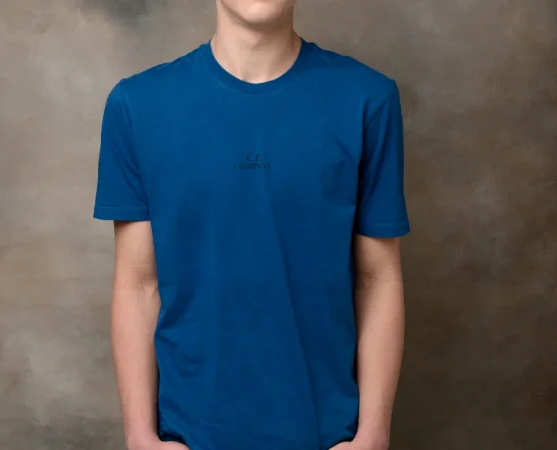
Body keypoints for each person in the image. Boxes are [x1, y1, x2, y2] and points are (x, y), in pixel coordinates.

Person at [92, 1, 410, 449]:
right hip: (189, 436)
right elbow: (138, 283)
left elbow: (377, 279)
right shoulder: (137, 105)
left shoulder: (367, 99)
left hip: (324, 434)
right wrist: (141, 437)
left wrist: (373, 436)